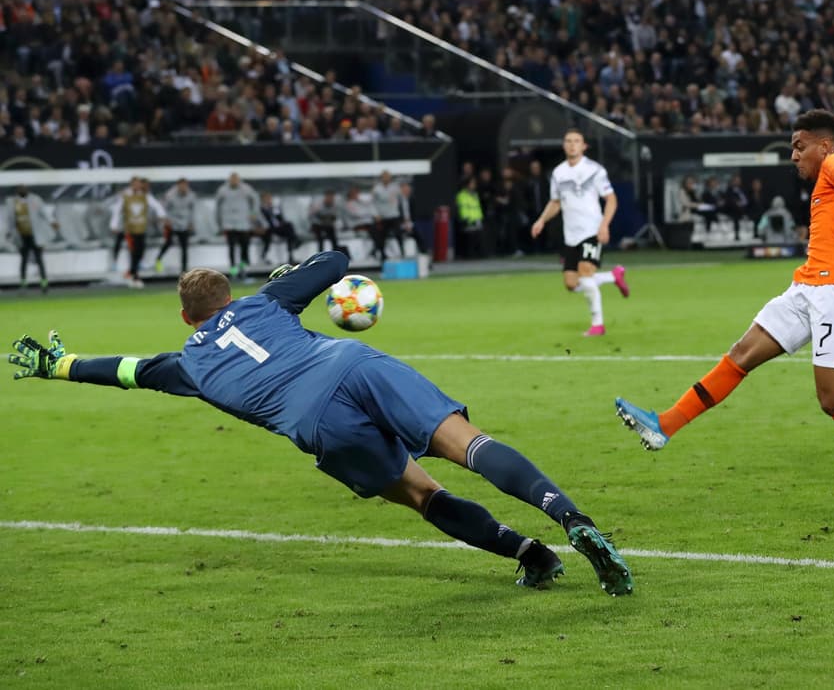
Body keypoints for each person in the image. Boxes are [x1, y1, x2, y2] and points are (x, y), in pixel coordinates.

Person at [6, 252, 633, 596]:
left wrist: (56, 365)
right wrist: (288, 277)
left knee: (422, 493)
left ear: (184, 316)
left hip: (317, 424)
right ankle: (572, 518)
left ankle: (532, 556)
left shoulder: (186, 364)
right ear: (230, 295)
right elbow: (335, 260)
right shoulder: (264, 301)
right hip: (350, 363)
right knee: (470, 446)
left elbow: (122, 370)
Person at [615, 109, 834, 484]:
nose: (793, 155)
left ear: (824, 146)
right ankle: (665, 424)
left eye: (799, 146)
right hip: (807, 287)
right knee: (741, 355)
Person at [530, 129, 630, 336]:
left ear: (584, 146)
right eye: (568, 141)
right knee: (571, 284)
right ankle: (613, 276)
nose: (572, 144)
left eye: (576, 141)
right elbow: (556, 202)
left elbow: (611, 199)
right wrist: (541, 220)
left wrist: (604, 225)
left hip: (591, 230)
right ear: (563, 145)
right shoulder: (558, 173)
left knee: (585, 274)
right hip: (571, 235)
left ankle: (598, 324)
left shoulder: (595, 170)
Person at [110, 176, 166, 289]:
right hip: (129, 229)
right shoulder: (125, 195)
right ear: (131, 184)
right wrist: (114, 224)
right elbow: (117, 210)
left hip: (141, 228)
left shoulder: (145, 195)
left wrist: (162, 215)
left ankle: (131, 273)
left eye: (138, 184)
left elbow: (156, 205)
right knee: (133, 253)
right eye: (135, 184)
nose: (137, 186)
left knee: (140, 252)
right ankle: (134, 276)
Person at [7, 184, 55, 293]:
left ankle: (44, 283)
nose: (22, 190)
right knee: (23, 260)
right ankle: (23, 284)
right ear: (17, 191)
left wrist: (52, 222)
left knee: (39, 259)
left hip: (35, 235)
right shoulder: (12, 202)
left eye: (23, 188)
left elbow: (44, 213)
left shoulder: (35, 200)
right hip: (22, 236)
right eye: (20, 189)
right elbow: (11, 218)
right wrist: (9, 232)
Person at [215, 173, 259, 279]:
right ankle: (233, 272)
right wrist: (219, 223)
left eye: (236, 179)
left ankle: (244, 271)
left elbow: (256, 199)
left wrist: (254, 213)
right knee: (232, 248)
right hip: (229, 224)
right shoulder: (222, 190)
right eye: (232, 179)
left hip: (243, 224)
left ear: (239, 180)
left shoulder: (246, 189)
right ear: (229, 180)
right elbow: (217, 207)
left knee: (244, 248)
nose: (234, 181)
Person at [155, 177, 196, 273]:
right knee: (168, 242)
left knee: (184, 248)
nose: (183, 187)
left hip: (184, 224)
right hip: (172, 223)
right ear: (178, 186)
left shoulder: (191, 196)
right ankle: (158, 259)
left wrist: (191, 222)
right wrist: (167, 219)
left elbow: (192, 210)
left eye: (185, 185)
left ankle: (184, 271)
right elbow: (164, 208)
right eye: (181, 185)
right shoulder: (170, 195)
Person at [370, 171, 406, 262]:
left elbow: (403, 201)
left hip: (394, 215)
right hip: (382, 217)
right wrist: (376, 214)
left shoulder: (395, 187)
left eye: (387, 176)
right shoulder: (376, 189)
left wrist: (405, 216)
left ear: (390, 177)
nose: (386, 178)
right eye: (384, 176)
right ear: (381, 178)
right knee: (381, 236)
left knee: (399, 234)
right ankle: (382, 255)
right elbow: (372, 203)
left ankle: (403, 253)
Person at [256, 191, 299, 266]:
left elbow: (280, 218)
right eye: (267, 198)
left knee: (289, 226)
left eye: (270, 198)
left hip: (277, 227)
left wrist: (275, 211)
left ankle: (291, 253)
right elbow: (261, 221)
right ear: (262, 199)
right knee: (288, 230)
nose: (269, 200)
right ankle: (295, 241)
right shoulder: (260, 209)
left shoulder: (274, 208)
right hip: (268, 228)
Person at [309, 190, 344, 254]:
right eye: (329, 197)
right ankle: (320, 255)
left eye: (332, 198)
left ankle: (335, 254)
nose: (330, 199)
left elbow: (335, 217)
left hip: (328, 226)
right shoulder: (318, 205)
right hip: (317, 225)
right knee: (320, 237)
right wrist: (322, 220)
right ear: (326, 197)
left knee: (333, 236)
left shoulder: (334, 206)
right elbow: (312, 217)